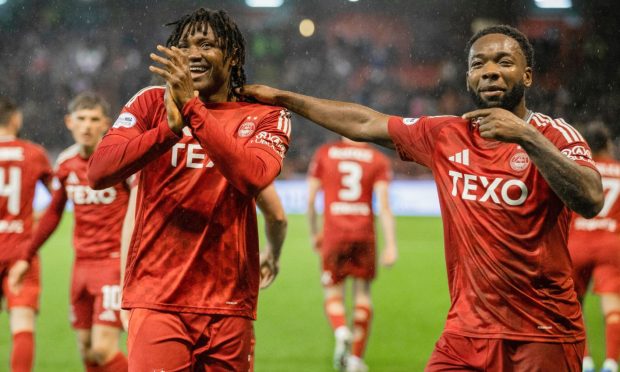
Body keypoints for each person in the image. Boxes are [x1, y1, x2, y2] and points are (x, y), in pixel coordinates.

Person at [238, 24, 605, 370]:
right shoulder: (446, 135)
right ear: (467, 78)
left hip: (544, 334)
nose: (490, 71)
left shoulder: (556, 135)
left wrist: (527, 137)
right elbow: (365, 123)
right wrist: (283, 98)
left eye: (504, 62)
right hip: (465, 332)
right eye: (479, 64)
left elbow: (590, 200)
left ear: (527, 76)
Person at [87, 7, 291, 371]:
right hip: (157, 298)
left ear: (232, 56)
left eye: (207, 44)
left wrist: (192, 112)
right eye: (184, 45)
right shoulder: (150, 103)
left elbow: (253, 177)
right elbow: (99, 171)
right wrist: (167, 131)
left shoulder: (264, 115)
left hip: (228, 303)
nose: (193, 53)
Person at [9, 92, 129, 372]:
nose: (87, 126)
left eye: (94, 119)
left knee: (103, 349)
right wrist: (27, 255)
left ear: (106, 124)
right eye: (82, 119)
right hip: (81, 266)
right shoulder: (65, 163)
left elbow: (141, 207)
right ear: (69, 122)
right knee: (86, 348)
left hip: (113, 264)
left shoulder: (119, 160)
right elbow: (53, 213)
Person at [307, 137, 397, 371]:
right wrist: (391, 245)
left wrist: (313, 232)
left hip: (334, 233)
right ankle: (356, 359)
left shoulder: (325, 153)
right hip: (364, 234)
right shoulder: (377, 159)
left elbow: (310, 200)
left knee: (333, 291)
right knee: (363, 295)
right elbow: (385, 206)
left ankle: (341, 330)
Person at [0, 96, 52, 372]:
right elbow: (60, 199)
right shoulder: (33, 154)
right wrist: (33, 218)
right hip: (21, 249)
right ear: (15, 119)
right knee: (22, 325)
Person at [568, 122, 620, 372]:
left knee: (572, 305)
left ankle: (585, 361)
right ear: (608, 144)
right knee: (613, 308)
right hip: (611, 245)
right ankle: (610, 363)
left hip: (576, 244)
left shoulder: (579, 171)